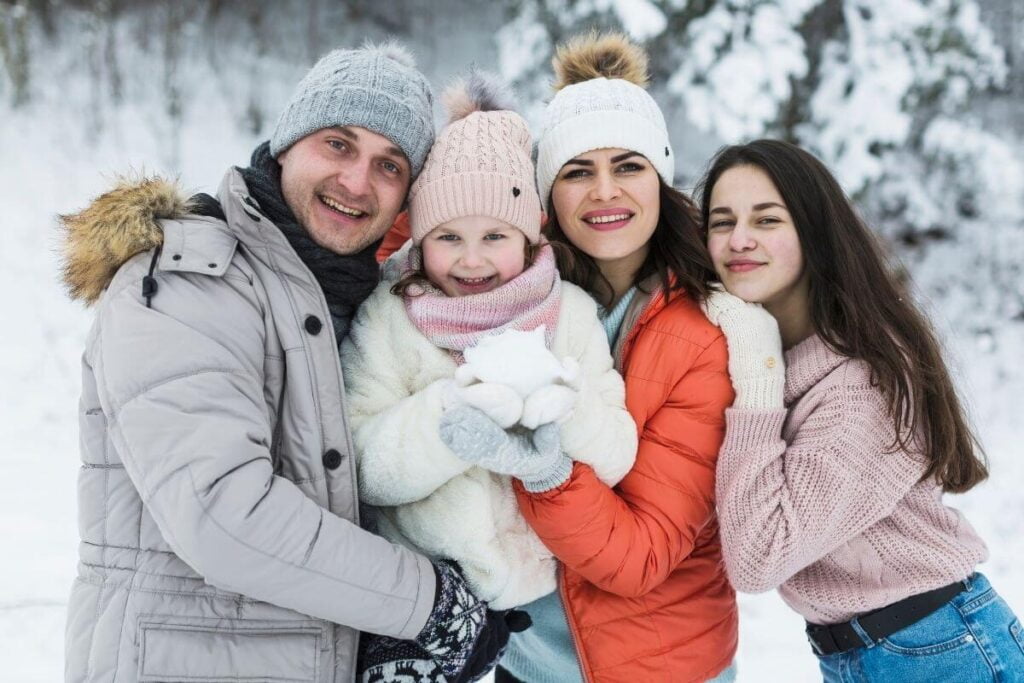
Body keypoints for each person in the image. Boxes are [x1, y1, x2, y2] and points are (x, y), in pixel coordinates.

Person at [59, 42, 513, 683]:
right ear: (285, 144)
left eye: (389, 165)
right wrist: (430, 603)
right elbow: (224, 515)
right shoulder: (186, 281)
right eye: (338, 144)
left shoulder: (354, 305)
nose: (357, 182)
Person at [438, 33, 739, 682]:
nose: (604, 191)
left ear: (660, 178)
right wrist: (475, 159)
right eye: (577, 170)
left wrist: (546, 472)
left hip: (660, 668)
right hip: (525, 659)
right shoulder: (511, 286)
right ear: (547, 192)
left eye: (628, 166)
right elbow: (406, 248)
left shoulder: (703, 334)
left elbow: (642, 554)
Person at [343, 71, 637, 682]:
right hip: (429, 605)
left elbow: (618, 452)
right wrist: (449, 418)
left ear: (528, 240)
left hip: (549, 603)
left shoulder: (570, 314)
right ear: (421, 242)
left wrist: (556, 405)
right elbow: (361, 463)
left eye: (495, 236)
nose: (471, 259)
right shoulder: (391, 319)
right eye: (448, 237)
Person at [698, 138, 1023, 682]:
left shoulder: (861, 382)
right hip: (867, 652)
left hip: (940, 652)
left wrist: (755, 384)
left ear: (814, 232)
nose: (740, 240)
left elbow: (759, 558)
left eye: (767, 219)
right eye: (721, 221)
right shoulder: (778, 357)